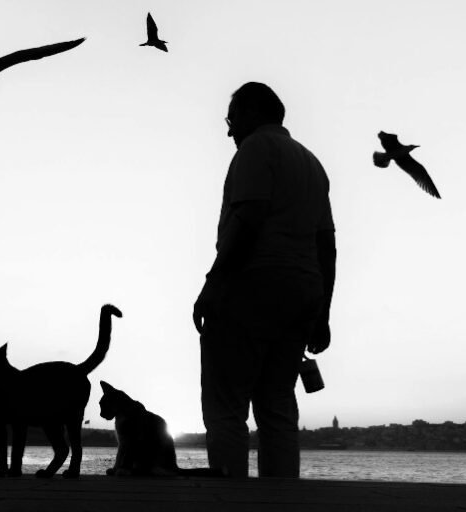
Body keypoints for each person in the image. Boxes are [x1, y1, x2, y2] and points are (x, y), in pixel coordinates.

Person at [193, 82, 336, 478]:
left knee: (226, 407)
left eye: (232, 118)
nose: (228, 130)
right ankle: (281, 499)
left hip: (252, 286)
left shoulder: (255, 149)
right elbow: (327, 247)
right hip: (302, 292)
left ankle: (230, 498)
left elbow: (249, 218)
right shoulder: (312, 163)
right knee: (276, 407)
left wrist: (214, 283)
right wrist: (322, 312)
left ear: (253, 113)